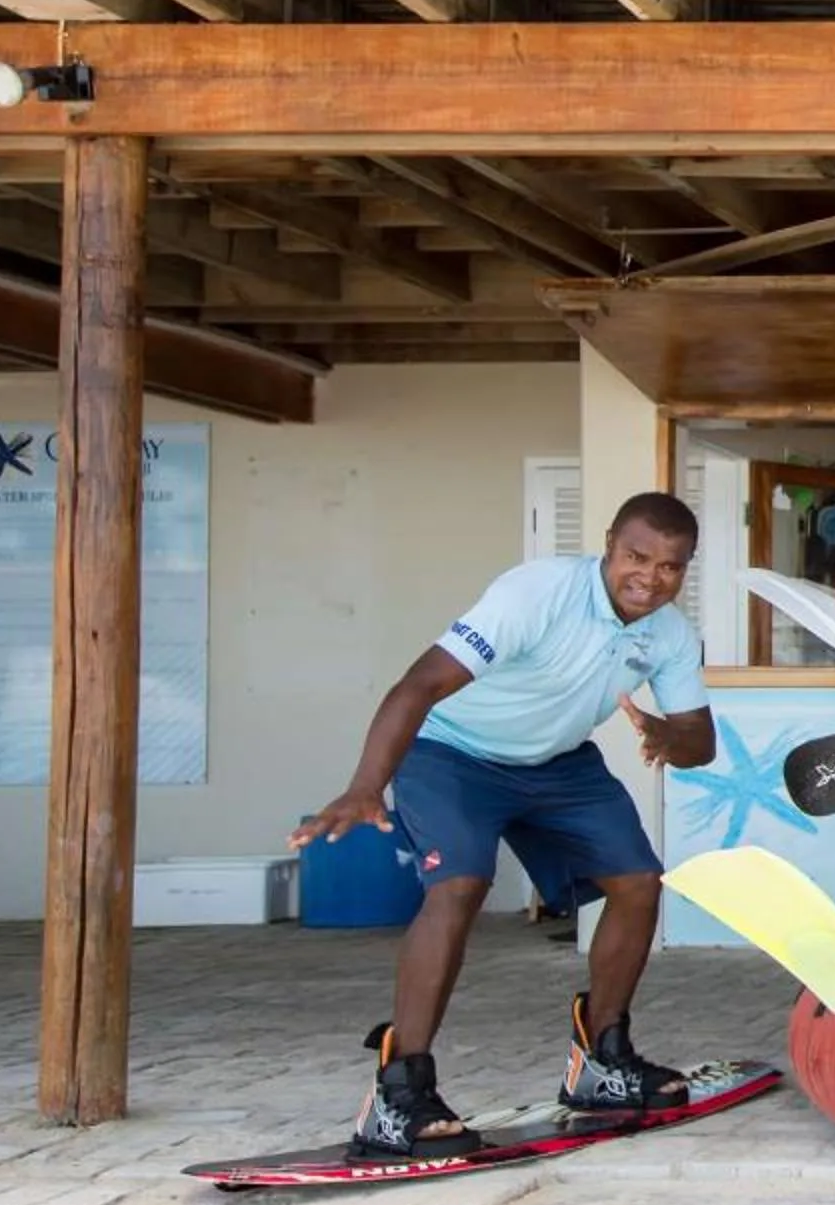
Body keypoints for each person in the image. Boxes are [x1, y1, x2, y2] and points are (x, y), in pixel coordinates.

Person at [290, 491, 717, 1158]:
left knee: (639, 883)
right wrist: (365, 786)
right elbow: (420, 685)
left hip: (558, 764)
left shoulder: (669, 634)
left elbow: (700, 742)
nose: (650, 578)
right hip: (453, 753)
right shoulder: (537, 592)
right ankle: (399, 1091)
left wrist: (671, 736)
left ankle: (602, 1061)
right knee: (459, 885)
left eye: (671, 566)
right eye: (637, 557)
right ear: (609, 543)